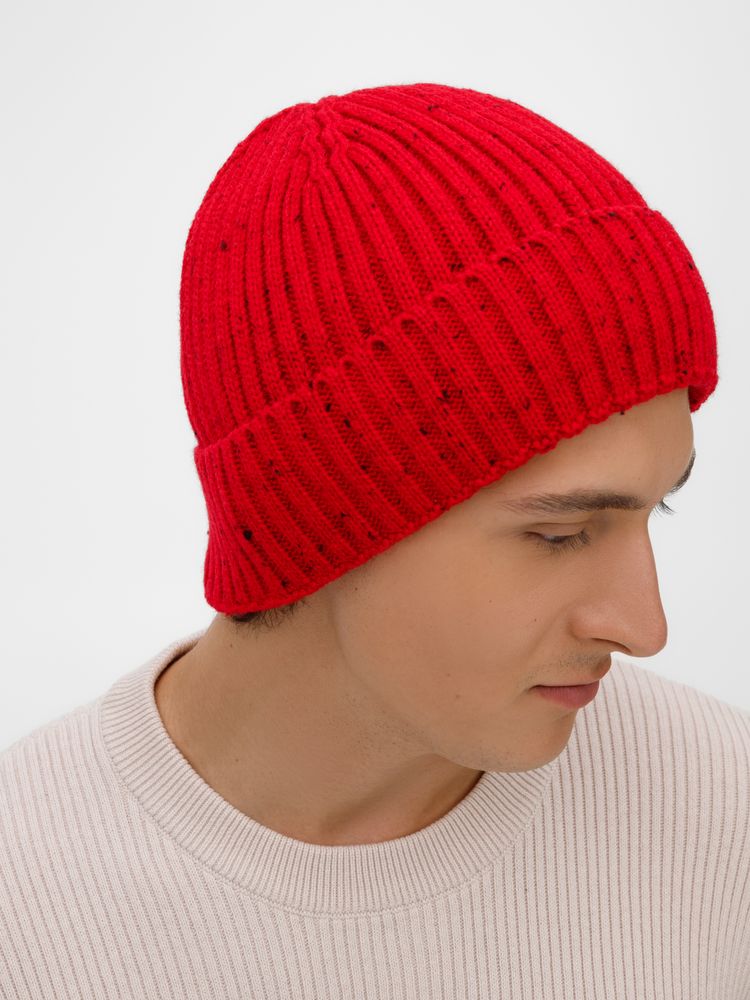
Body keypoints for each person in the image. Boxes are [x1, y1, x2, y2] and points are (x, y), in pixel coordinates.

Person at [1, 81, 747, 999]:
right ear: (317, 513)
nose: (645, 627)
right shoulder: (23, 912)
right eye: (559, 534)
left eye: (657, 509)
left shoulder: (723, 813)